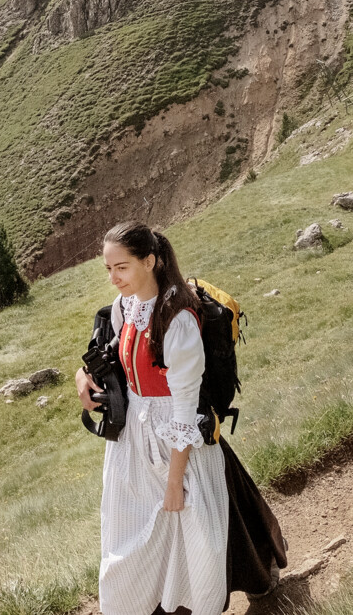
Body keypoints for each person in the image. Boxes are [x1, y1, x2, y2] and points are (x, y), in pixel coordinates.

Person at [78, 222, 227, 615]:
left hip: (173, 441)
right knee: (125, 538)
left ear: (150, 261)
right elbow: (113, 357)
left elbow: (185, 408)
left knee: (187, 530)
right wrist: (84, 377)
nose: (113, 279)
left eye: (121, 268)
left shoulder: (177, 322)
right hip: (133, 441)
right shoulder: (125, 308)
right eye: (108, 269)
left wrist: (175, 481)